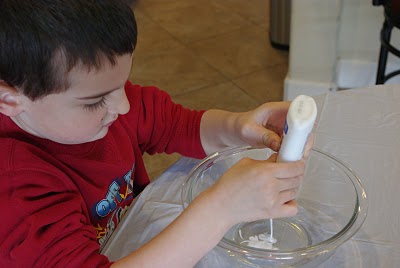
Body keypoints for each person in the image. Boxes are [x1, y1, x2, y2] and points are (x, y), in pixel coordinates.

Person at [0, 1, 312, 267]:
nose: (123, 106)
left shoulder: (103, 108)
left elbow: (179, 125)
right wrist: (221, 209)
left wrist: (239, 127)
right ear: (9, 100)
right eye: (95, 100)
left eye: (123, 83)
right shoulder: (15, 191)